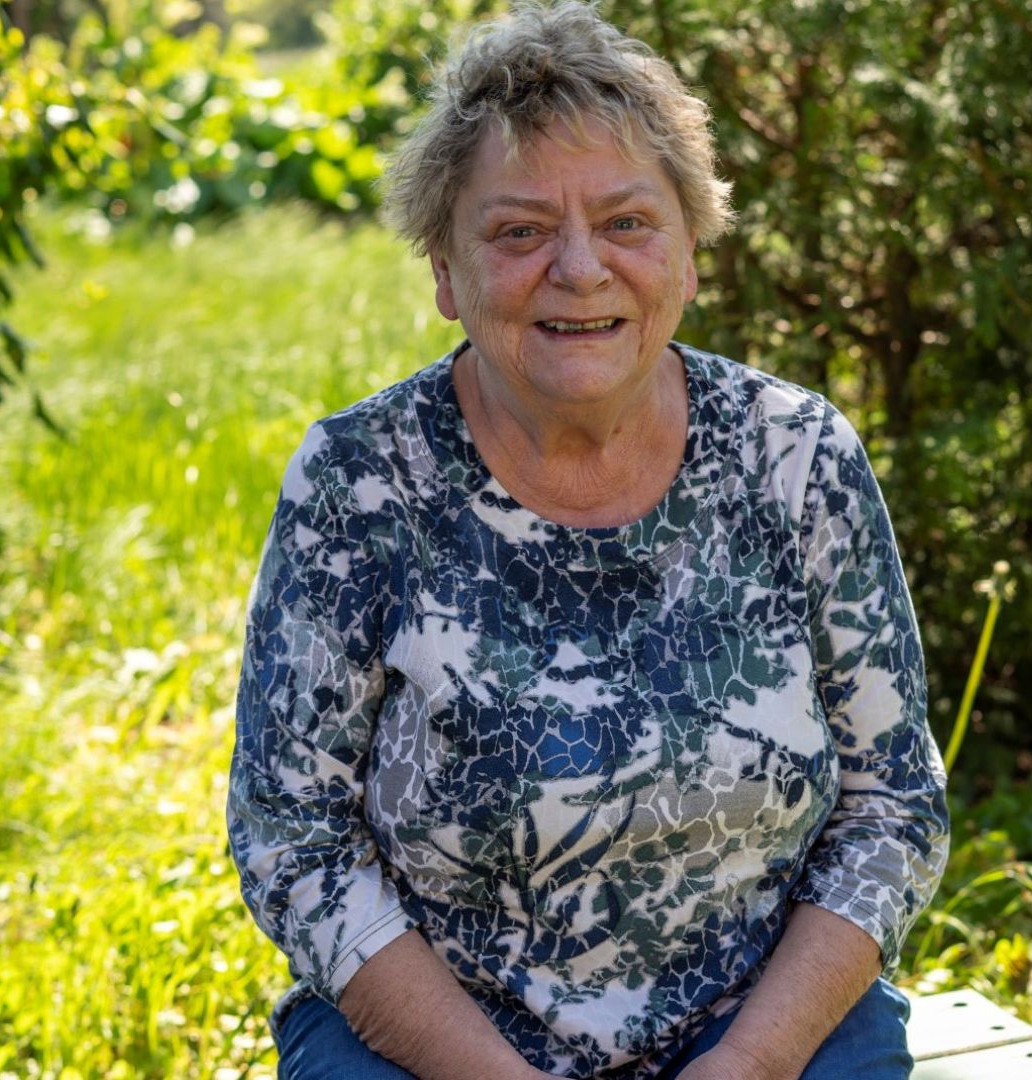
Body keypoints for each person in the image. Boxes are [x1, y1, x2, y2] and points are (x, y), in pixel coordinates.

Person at [226, 4, 950, 1077]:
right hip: (438, 1042)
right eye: (519, 232)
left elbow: (891, 807)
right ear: (443, 268)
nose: (579, 268)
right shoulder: (359, 482)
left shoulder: (798, 458)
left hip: (764, 1031)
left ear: (691, 251)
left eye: (626, 222)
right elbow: (293, 839)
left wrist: (747, 1064)